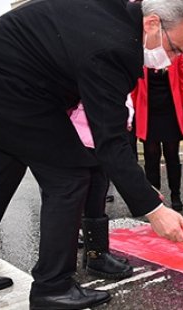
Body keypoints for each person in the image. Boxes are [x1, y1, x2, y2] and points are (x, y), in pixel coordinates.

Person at [0, 0, 183, 309]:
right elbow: (110, 141)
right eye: (175, 48)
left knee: (0, 174)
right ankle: (52, 286)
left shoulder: (111, 17)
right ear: (152, 24)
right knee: (69, 177)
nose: (172, 59)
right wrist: (154, 210)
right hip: (7, 85)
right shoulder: (115, 47)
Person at [69, 98, 135, 280]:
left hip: (97, 134)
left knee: (97, 192)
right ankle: (94, 257)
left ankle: (96, 253)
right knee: (87, 193)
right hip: (86, 133)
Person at [132, 54, 183, 212]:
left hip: (170, 111)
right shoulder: (140, 54)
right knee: (151, 156)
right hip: (148, 112)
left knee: (172, 155)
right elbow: (133, 85)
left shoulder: (176, 55)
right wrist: (130, 110)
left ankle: (175, 194)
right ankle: (154, 196)